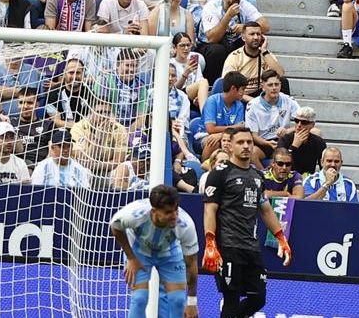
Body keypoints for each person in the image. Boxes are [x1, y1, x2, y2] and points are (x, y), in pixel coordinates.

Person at [201, 126, 292, 318]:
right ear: (230, 146)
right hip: (228, 246)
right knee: (231, 299)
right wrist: (210, 242)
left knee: (259, 298)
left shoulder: (257, 176)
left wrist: (281, 237)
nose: (246, 146)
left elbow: (265, 209)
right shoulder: (220, 173)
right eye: (240, 142)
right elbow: (210, 209)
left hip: (251, 247)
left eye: (249, 142)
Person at [110, 185, 201, 318]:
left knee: (177, 300)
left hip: (170, 254)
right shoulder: (134, 215)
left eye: (176, 210)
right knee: (139, 298)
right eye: (168, 212)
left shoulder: (186, 225)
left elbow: (191, 263)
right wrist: (131, 258)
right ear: (154, 212)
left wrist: (192, 301)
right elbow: (115, 227)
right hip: (139, 253)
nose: (174, 216)